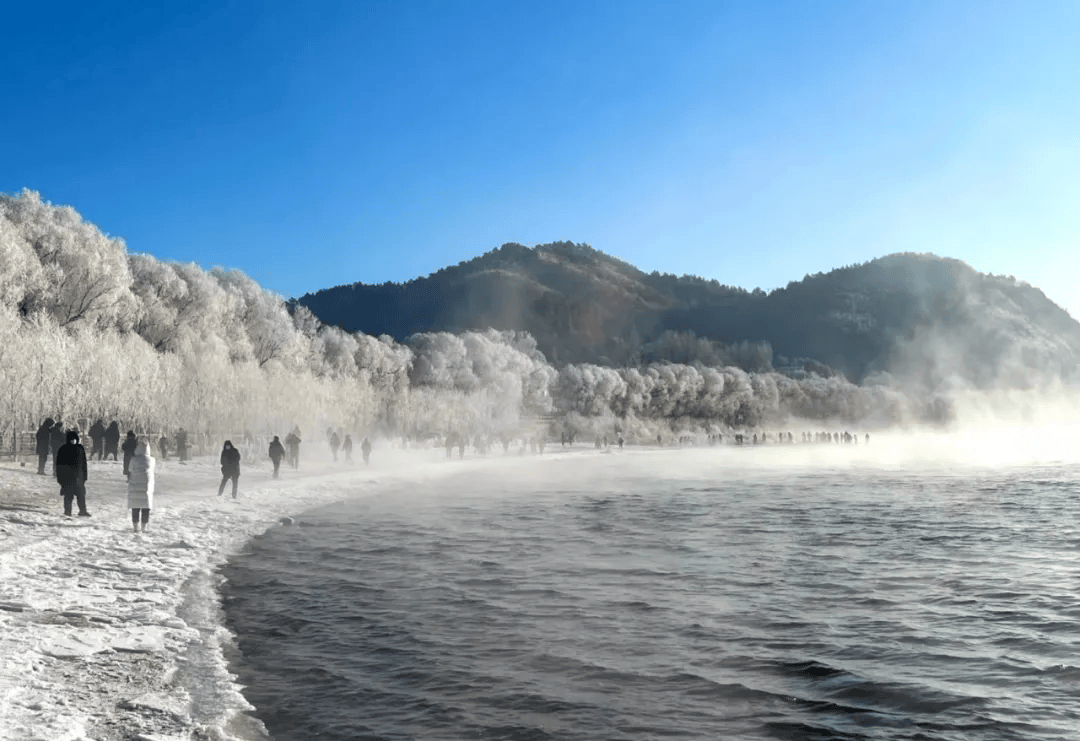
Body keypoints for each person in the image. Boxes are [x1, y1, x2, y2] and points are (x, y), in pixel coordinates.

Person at [56, 429, 89, 517]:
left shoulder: (80, 448)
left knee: (81, 495)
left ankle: (82, 510)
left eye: (74, 439)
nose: (73, 440)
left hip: (79, 477)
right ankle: (67, 511)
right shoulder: (63, 449)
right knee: (68, 496)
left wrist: (85, 476)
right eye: (71, 439)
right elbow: (59, 466)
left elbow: (84, 464)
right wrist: (60, 479)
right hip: (67, 477)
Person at [127, 440, 155, 532]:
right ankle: (144, 526)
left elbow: (130, 469)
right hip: (146, 488)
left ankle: (135, 526)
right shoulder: (151, 460)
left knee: (135, 507)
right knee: (145, 507)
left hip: (134, 486)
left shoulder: (133, 460)